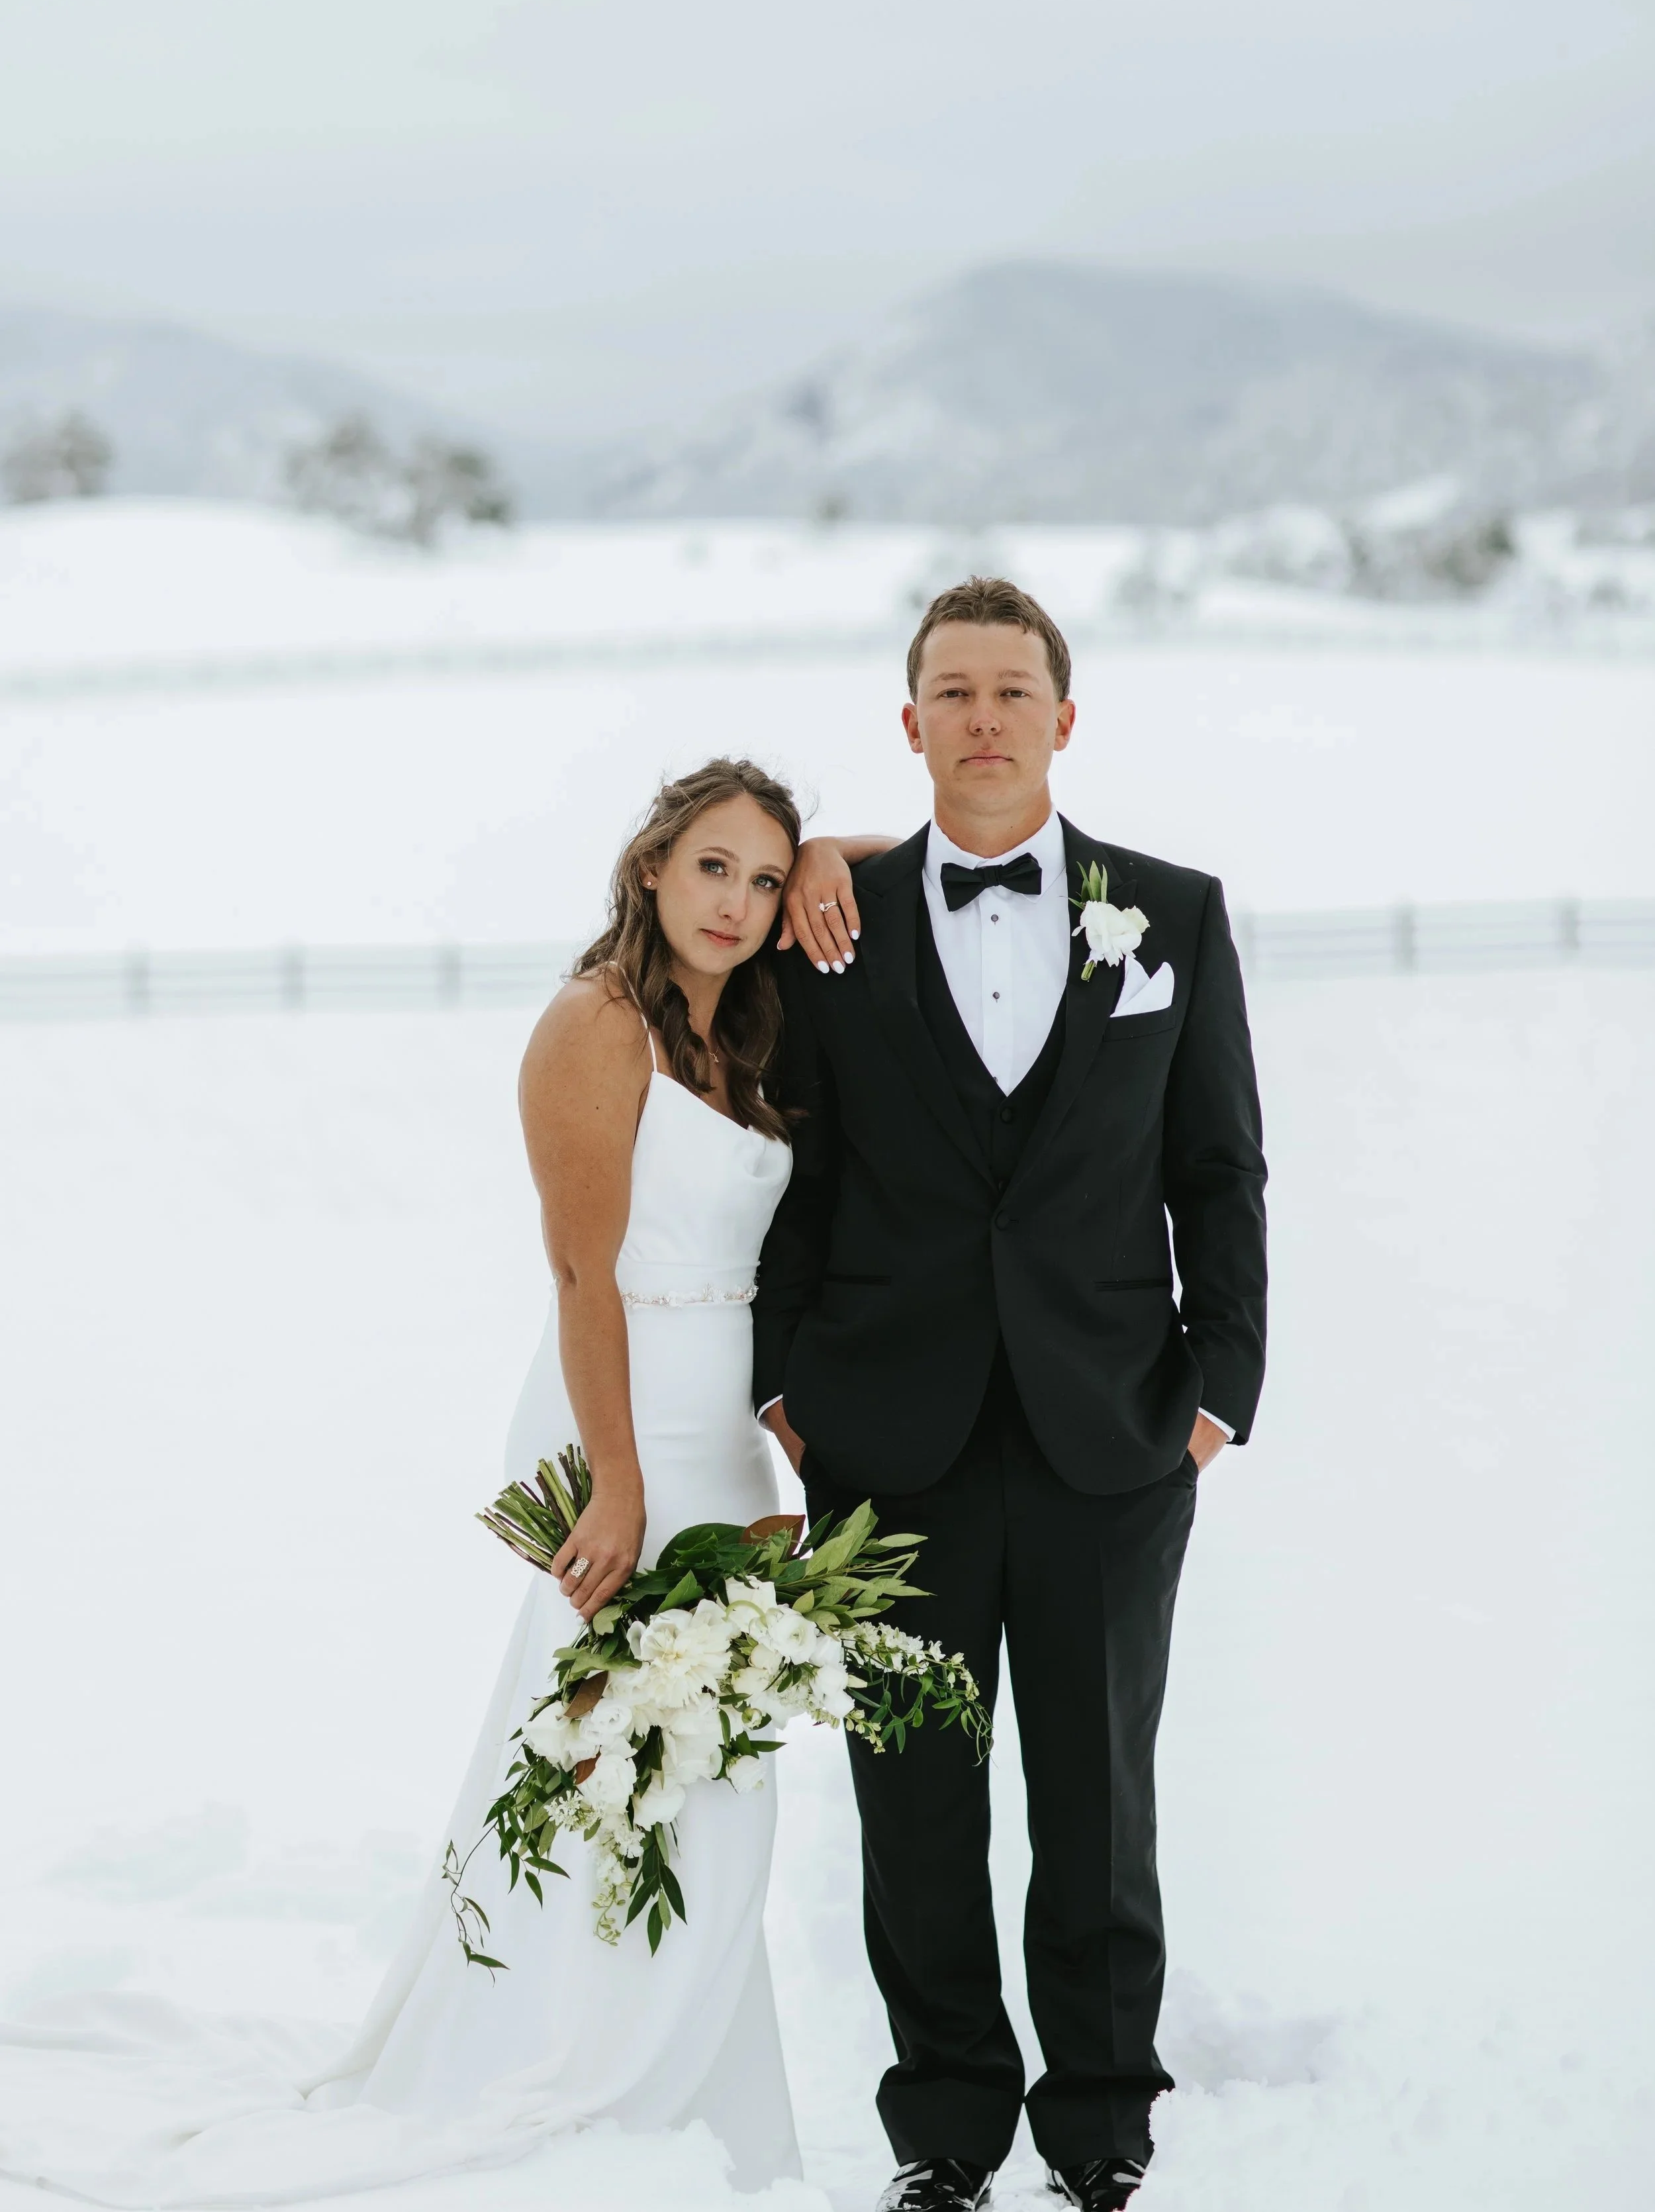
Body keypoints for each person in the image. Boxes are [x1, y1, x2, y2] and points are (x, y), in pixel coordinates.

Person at [0, 758, 808, 2203]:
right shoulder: (596, 1023)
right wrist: (614, 1483)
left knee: (706, 1774)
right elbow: (579, 1270)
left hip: (719, 1430)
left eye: (763, 876)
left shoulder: (727, 1036)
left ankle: (674, 2082)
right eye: (711, 866)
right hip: (615, 1417)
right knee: (607, 1756)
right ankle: (561, 2062)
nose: (739, 901)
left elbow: (869, 863)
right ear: (647, 865)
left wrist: (823, 868)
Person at [755, 578, 1268, 2212]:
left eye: (1011, 688)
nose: (983, 717)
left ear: (1064, 713)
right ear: (907, 723)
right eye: (950, 691)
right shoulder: (825, 922)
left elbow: (1217, 1166)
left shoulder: (1170, 915)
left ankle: (1101, 2127)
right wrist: (782, 1383)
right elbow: (792, 1171)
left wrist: (1221, 1390)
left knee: (1096, 1797)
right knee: (911, 1796)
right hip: (885, 1434)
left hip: (1111, 1430)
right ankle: (946, 2133)